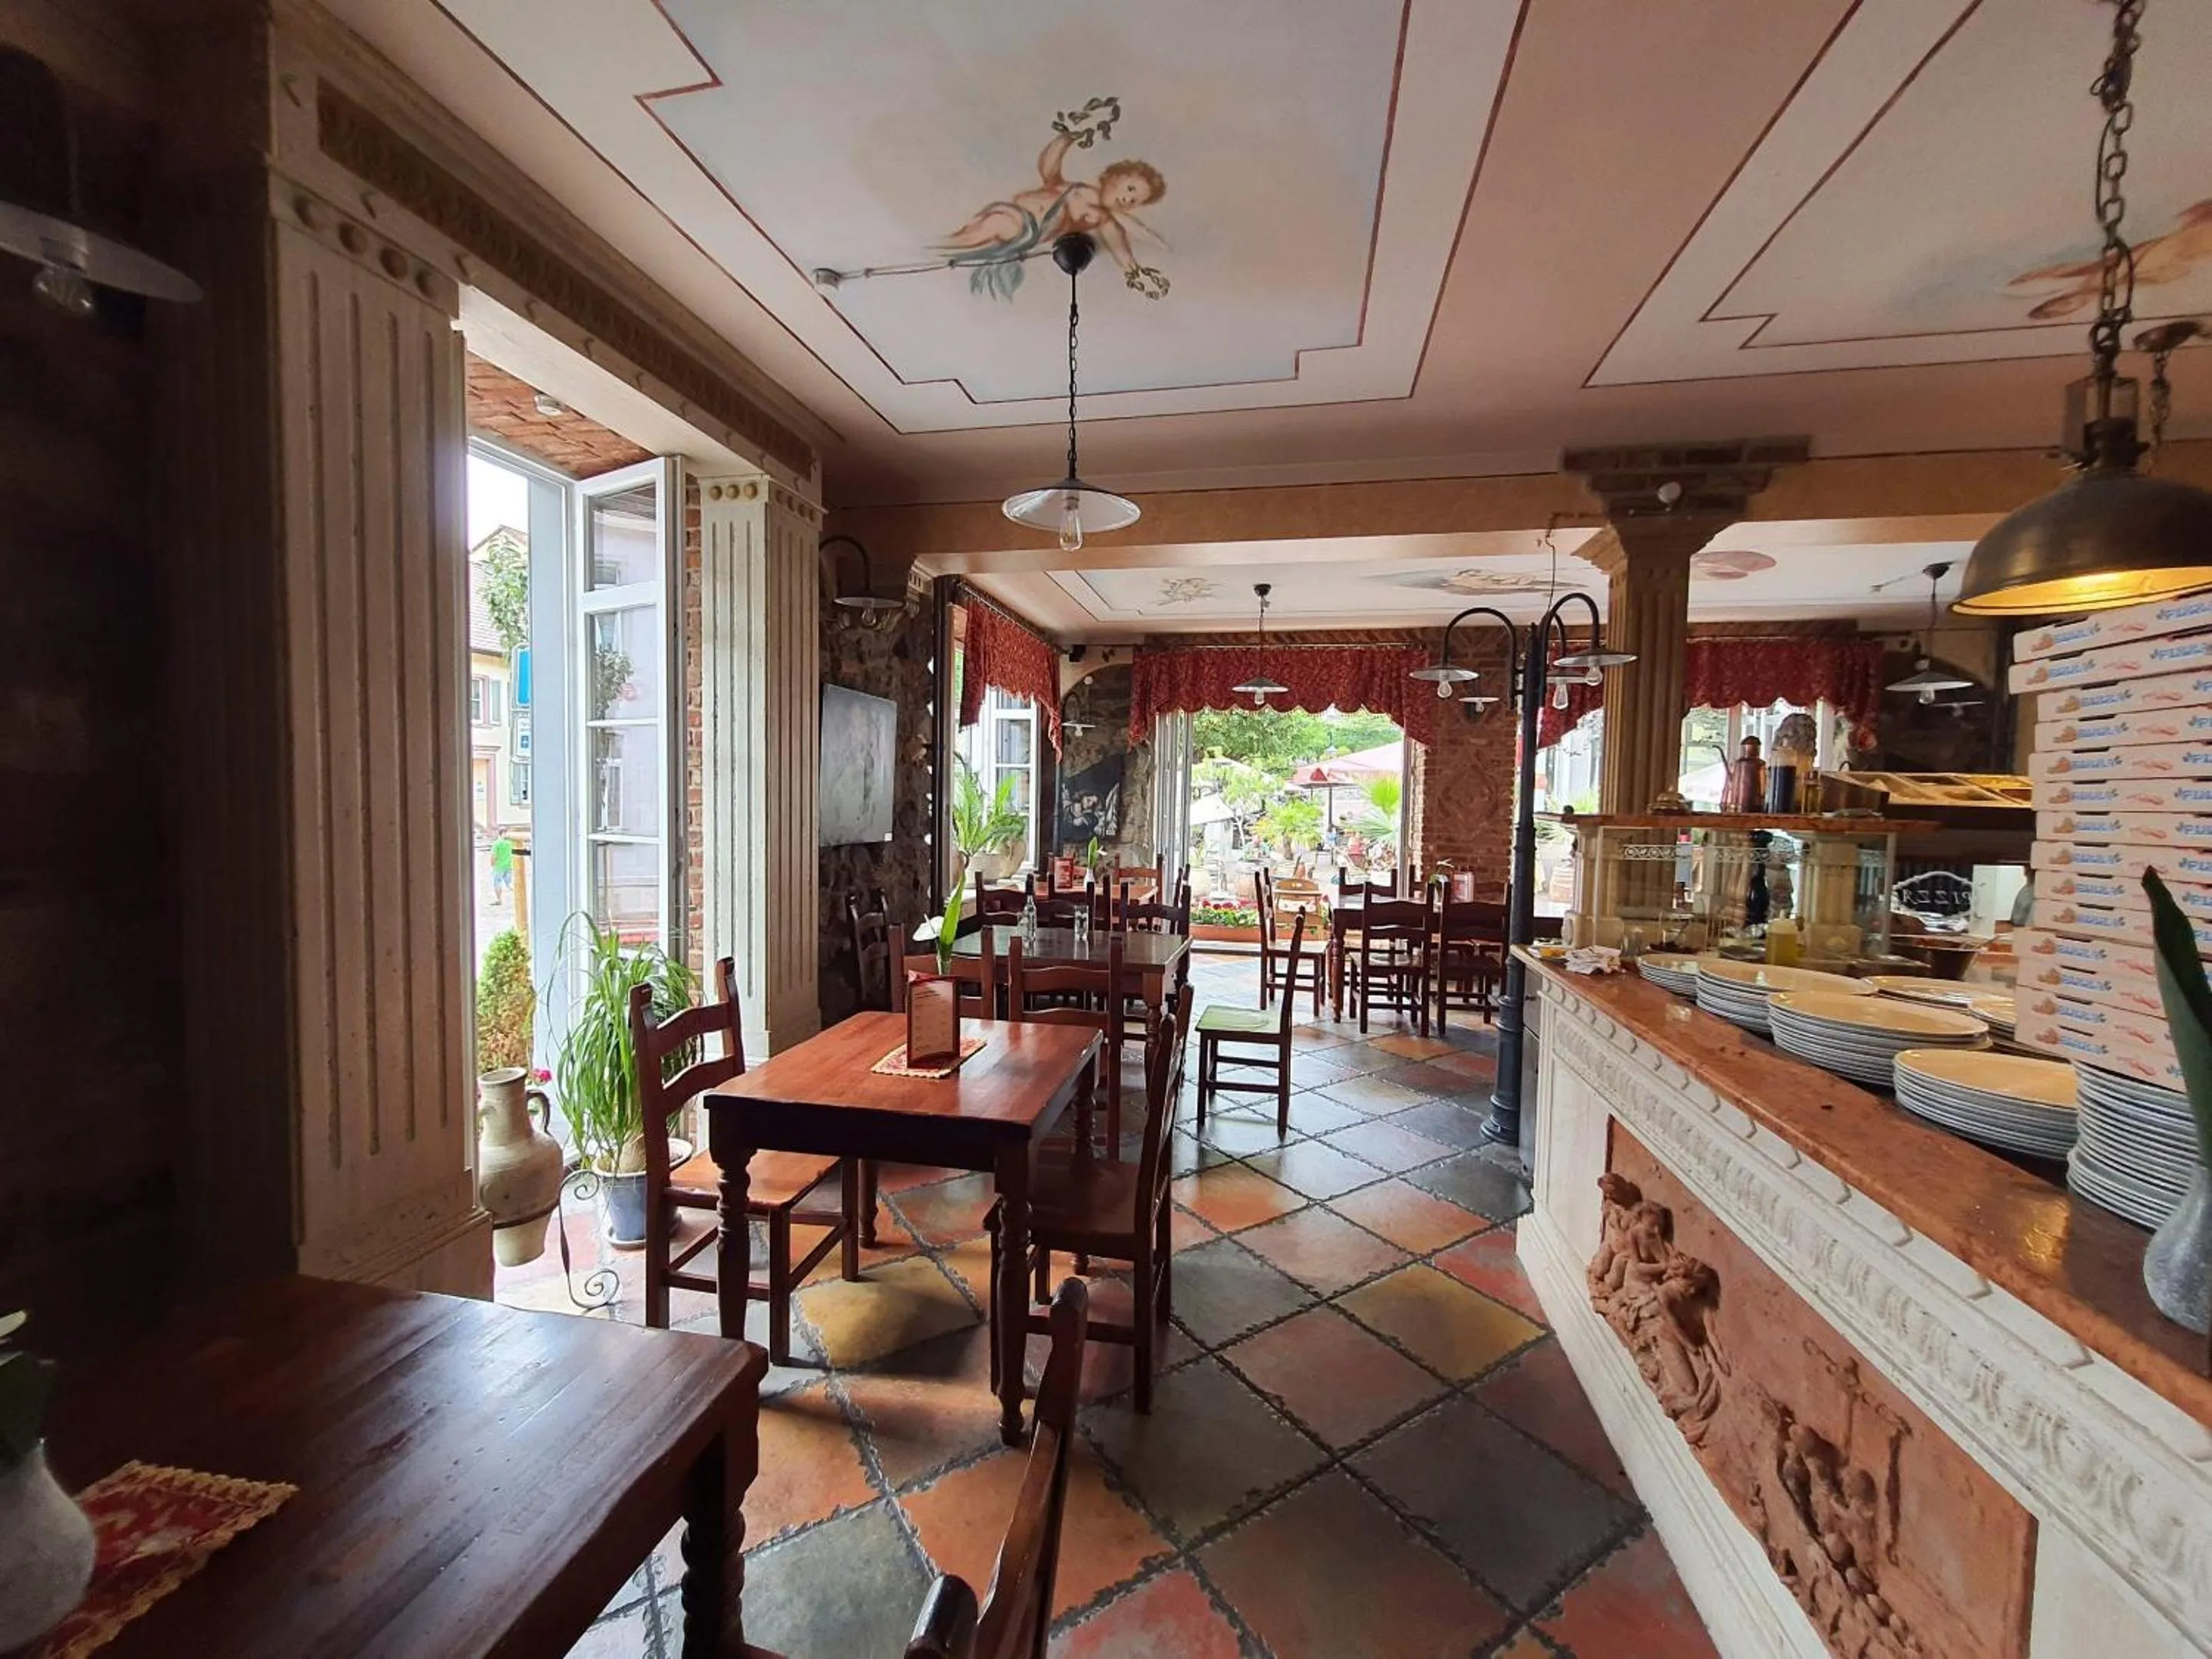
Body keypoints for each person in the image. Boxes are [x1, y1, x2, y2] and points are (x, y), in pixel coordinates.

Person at [490, 833, 514, 905]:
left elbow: (493, 855)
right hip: (509, 866)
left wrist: (492, 864)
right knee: (509, 884)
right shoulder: (510, 843)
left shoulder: (496, 844)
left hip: (499, 867)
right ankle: (519, 895)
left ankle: (499, 899)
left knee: (497, 883)